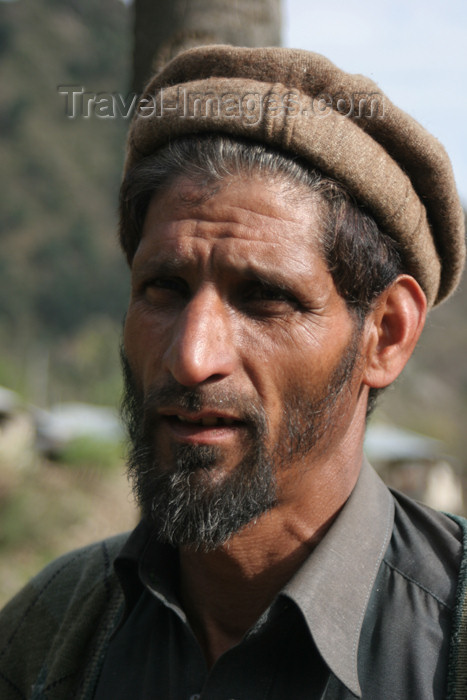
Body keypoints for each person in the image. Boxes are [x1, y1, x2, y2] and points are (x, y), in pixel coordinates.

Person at [0, 46, 466, 700]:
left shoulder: (446, 646)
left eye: (264, 299)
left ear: (385, 334)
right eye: (163, 288)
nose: (192, 356)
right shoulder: (50, 633)